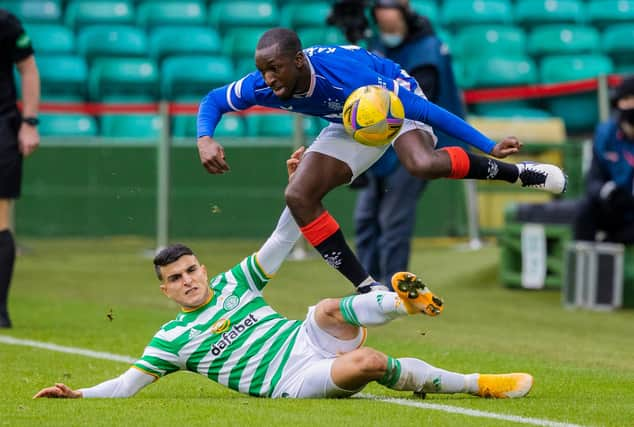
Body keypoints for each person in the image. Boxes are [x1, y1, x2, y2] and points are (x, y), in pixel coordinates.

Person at [33, 149, 533, 401]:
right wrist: (78, 395)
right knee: (369, 362)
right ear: (164, 290)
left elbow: (281, 240)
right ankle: (478, 384)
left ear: (202, 269)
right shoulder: (172, 340)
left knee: (326, 308)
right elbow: (125, 385)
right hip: (293, 378)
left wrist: (298, 187)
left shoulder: (234, 283)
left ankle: (403, 302)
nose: (187, 280)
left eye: (190, 270)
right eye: (176, 278)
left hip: (304, 335)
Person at [196, 27, 567, 294]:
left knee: (419, 163)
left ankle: (519, 174)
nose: (268, 78)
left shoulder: (348, 76)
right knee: (298, 195)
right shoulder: (262, 85)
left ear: (298, 60)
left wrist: (488, 143)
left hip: (387, 99)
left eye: (275, 68)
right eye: (263, 69)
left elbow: (426, 109)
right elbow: (214, 99)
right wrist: (205, 138)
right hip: (349, 118)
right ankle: (367, 287)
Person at [353, 0, 468, 286]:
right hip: (379, 142)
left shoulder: (428, 50)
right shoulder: (376, 43)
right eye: (380, 21)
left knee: (394, 221)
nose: (385, 28)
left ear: (403, 15)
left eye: (390, 21)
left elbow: (416, 105)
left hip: (416, 142)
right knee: (366, 219)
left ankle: (393, 290)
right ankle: (367, 288)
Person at [0, 9, 40, 328]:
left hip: (2, 127)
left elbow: (28, 70)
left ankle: (0, 311)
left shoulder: (6, 22)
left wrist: (29, 123)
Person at [574, 75, 634, 243]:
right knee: (585, 211)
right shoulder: (605, 134)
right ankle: (582, 265)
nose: (631, 104)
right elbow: (593, 181)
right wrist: (609, 192)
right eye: (627, 99)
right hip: (614, 208)